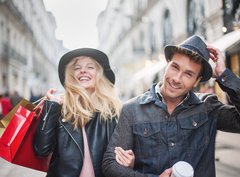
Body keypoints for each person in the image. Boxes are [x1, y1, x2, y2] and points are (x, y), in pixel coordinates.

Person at [102, 35, 240, 177]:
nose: (176, 79)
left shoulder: (208, 107)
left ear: (196, 81)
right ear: (167, 64)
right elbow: (109, 164)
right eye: (175, 67)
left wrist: (225, 76)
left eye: (188, 74)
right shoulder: (132, 109)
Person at [34, 48, 131, 177]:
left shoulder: (113, 111)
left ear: (99, 74)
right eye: (76, 68)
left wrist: (129, 162)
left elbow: (120, 156)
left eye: (90, 67)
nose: (83, 70)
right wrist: (52, 107)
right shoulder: (59, 109)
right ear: (71, 75)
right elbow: (42, 150)